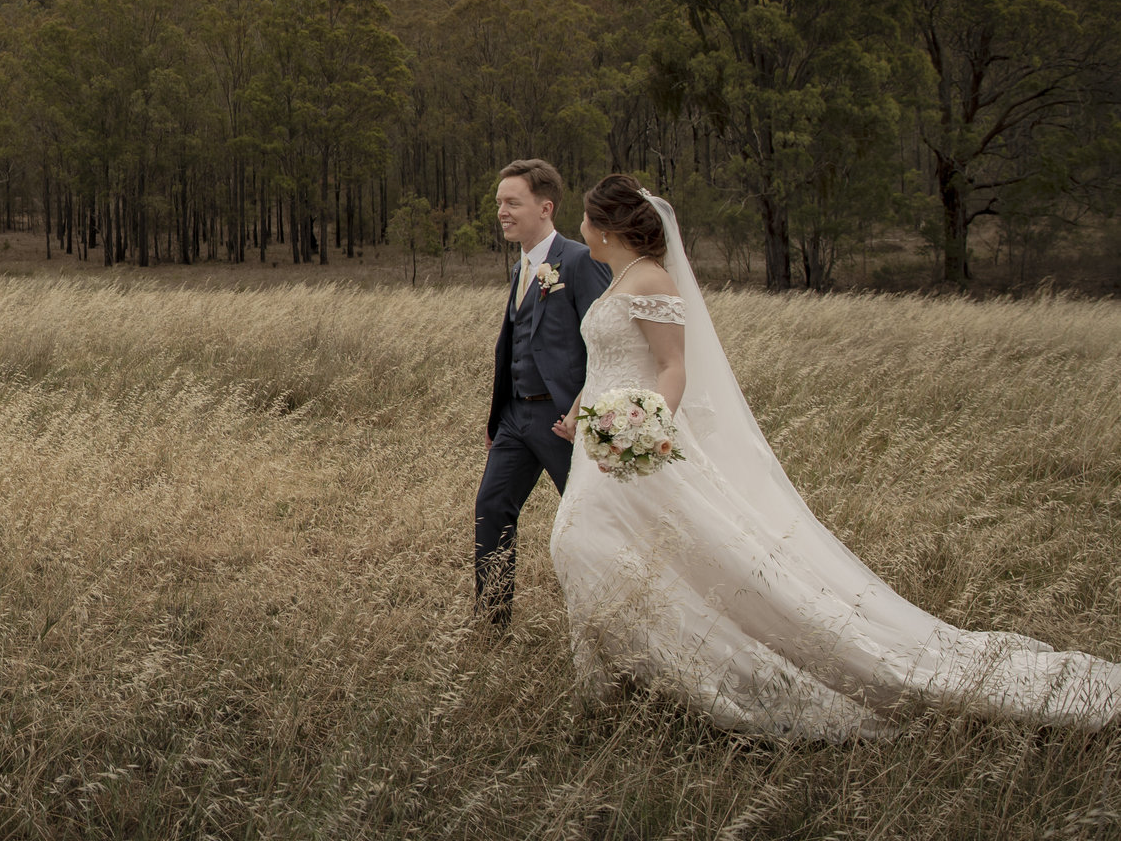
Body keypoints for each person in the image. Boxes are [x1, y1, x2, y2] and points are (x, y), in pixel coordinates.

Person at [548, 174, 1121, 738]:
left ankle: (684, 675)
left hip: (635, 449)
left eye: (584, 216)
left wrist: (642, 432)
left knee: (598, 545)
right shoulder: (618, 279)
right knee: (592, 547)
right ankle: (614, 685)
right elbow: (608, 365)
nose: (579, 225)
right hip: (603, 442)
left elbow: (673, 368)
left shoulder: (651, 281)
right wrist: (580, 415)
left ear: (607, 225)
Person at [476, 159, 611, 628]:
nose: (502, 211)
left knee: (589, 521)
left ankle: (610, 620)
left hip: (562, 420)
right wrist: (498, 418)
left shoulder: (578, 261)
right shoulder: (522, 268)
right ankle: (491, 624)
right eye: (499, 203)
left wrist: (582, 412)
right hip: (515, 418)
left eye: (513, 202)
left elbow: (605, 342)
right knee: (492, 509)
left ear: (546, 207)